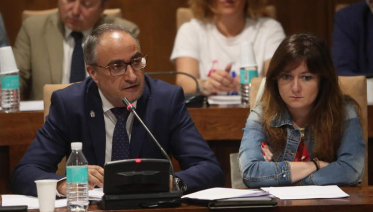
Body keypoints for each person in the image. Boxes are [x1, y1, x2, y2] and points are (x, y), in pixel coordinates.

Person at [11, 24, 225, 196]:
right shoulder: (70, 104)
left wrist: (172, 182)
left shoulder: (165, 100)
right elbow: (24, 173)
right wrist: (64, 183)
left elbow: (210, 169)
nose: (132, 75)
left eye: (136, 61)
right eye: (117, 67)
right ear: (93, 72)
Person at [238, 34, 365, 187]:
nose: (296, 88)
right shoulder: (262, 114)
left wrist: (288, 178)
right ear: (275, 80)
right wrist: (315, 166)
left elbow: (350, 170)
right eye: (286, 76)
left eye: (306, 77)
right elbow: (251, 173)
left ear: (322, 81)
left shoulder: (343, 110)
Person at [13, 0, 139, 100]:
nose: (75, 10)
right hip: (47, 117)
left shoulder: (124, 34)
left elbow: (129, 83)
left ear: (103, 6)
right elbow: (16, 78)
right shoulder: (33, 29)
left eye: (86, 4)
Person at [170, 0, 285, 95]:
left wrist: (250, 83)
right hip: (207, 114)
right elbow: (183, 83)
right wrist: (208, 84)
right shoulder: (191, 30)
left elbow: (277, 80)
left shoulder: (269, 29)